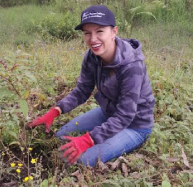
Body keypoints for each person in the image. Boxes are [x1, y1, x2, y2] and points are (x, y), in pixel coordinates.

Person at [27, 5, 155, 167]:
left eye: (99, 31)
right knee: (61, 136)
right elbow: (82, 90)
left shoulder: (131, 66)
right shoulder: (92, 56)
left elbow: (125, 115)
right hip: (108, 112)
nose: (93, 39)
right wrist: (55, 111)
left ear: (114, 31)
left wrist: (88, 140)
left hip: (135, 125)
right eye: (87, 33)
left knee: (81, 160)